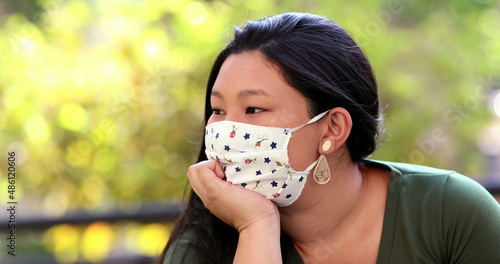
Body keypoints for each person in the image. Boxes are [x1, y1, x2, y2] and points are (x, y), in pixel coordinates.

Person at [159, 12, 500, 264]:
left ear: (333, 128)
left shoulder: (450, 213)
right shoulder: (204, 247)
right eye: (218, 110)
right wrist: (256, 226)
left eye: (253, 109)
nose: (226, 132)